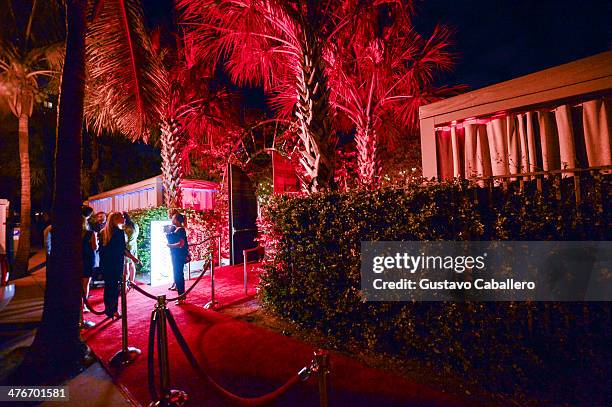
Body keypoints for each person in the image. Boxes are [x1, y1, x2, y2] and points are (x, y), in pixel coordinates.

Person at [99, 212, 140, 319]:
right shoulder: (119, 232)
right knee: (114, 288)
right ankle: (114, 310)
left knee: (108, 288)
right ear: (116, 219)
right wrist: (133, 258)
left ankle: (109, 310)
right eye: (122, 217)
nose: (124, 219)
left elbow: (102, 251)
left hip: (106, 264)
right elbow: (123, 250)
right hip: (116, 264)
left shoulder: (104, 232)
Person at [166, 213, 189, 305]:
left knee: (178, 274)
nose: (171, 219)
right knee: (178, 274)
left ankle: (181, 296)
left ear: (176, 220)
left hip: (178, 255)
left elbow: (181, 243)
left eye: (173, 218)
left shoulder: (180, 230)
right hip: (176, 254)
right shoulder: (177, 229)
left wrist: (170, 245)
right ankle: (181, 295)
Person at [81, 206, 97, 328]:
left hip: (78, 260)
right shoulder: (91, 233)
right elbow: (95, 247)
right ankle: (83, 305)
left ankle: (81, 306)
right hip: (88, 259)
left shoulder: (74, 234)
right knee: (85, 284)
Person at [122, 212, 139, 287]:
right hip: (133, 246)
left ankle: (125, 285)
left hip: (127, 248)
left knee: (126, 267)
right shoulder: (135, 225)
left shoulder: (124, 227)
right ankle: (132, 281)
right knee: (132, 264)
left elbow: (124, 239)